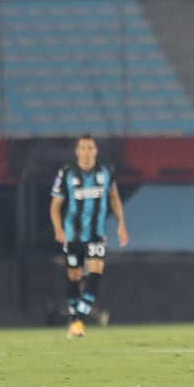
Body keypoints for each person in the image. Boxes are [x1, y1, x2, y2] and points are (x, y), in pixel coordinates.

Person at [49, 134, 128, 338]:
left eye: (90, 147)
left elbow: (114, 198)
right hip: (72, 235)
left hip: (96, 234)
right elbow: (55, 206)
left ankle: (78, 320)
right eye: (83, 147)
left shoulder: (106, 172)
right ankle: (76, 320)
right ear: (77, 151)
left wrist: (121, 225)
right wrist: (58, 229)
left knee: (94, 275)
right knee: (74, 277)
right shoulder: (66, 173)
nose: (86, 151)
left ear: (96, 150)